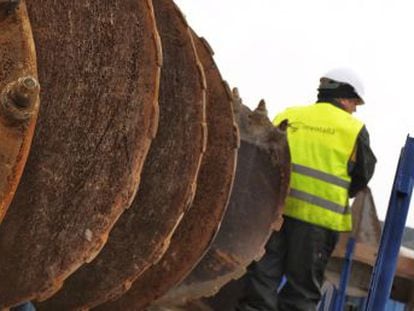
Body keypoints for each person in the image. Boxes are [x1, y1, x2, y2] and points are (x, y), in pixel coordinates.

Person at [236, 68, 376, 311]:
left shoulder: (288, 115)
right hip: (317, 224)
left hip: (273, 215)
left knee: (261, 284)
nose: (354, 109)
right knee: (300, 295)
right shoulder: (352, 130)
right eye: (355, 103)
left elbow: (264, 157)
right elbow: (363, 175)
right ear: (344, 97)